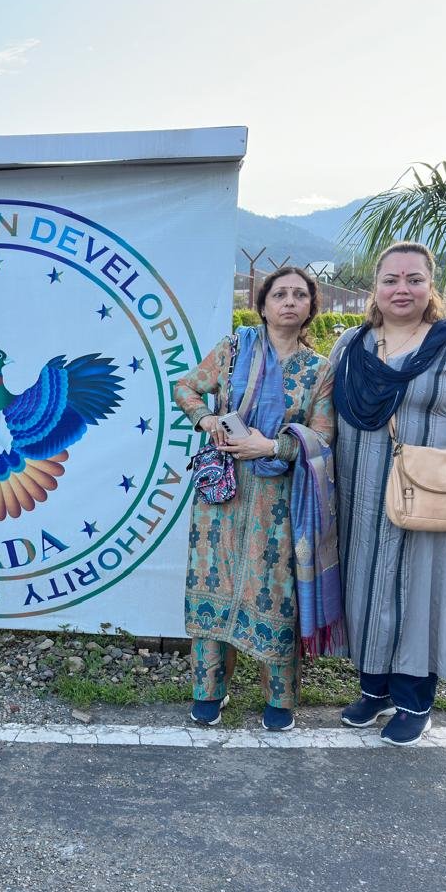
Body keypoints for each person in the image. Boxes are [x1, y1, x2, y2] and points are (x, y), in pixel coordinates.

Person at [331, 241, 446, 746]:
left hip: (429, 494)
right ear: (374, 289)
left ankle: (414, 699)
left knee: (418, 590)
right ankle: (374, 687)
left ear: (431, 287)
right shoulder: (351, 345)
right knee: (365, 586)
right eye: (391, 280)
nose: (402, 289)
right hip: (360, 493)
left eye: (414, 279)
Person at [174, 267, 344, 732]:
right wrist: (208, 422)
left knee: (275, 592)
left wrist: (269, 447)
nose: (289, 301)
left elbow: (324, 437)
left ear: (311, 306)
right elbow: (185, 386)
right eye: (279, 294)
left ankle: (280, 698)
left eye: (300, 295)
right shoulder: (233, 351)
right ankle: (209, 690)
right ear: (263, 303)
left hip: (278, 499)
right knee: (215, 582)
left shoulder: (318, 369)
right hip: (221, 495)